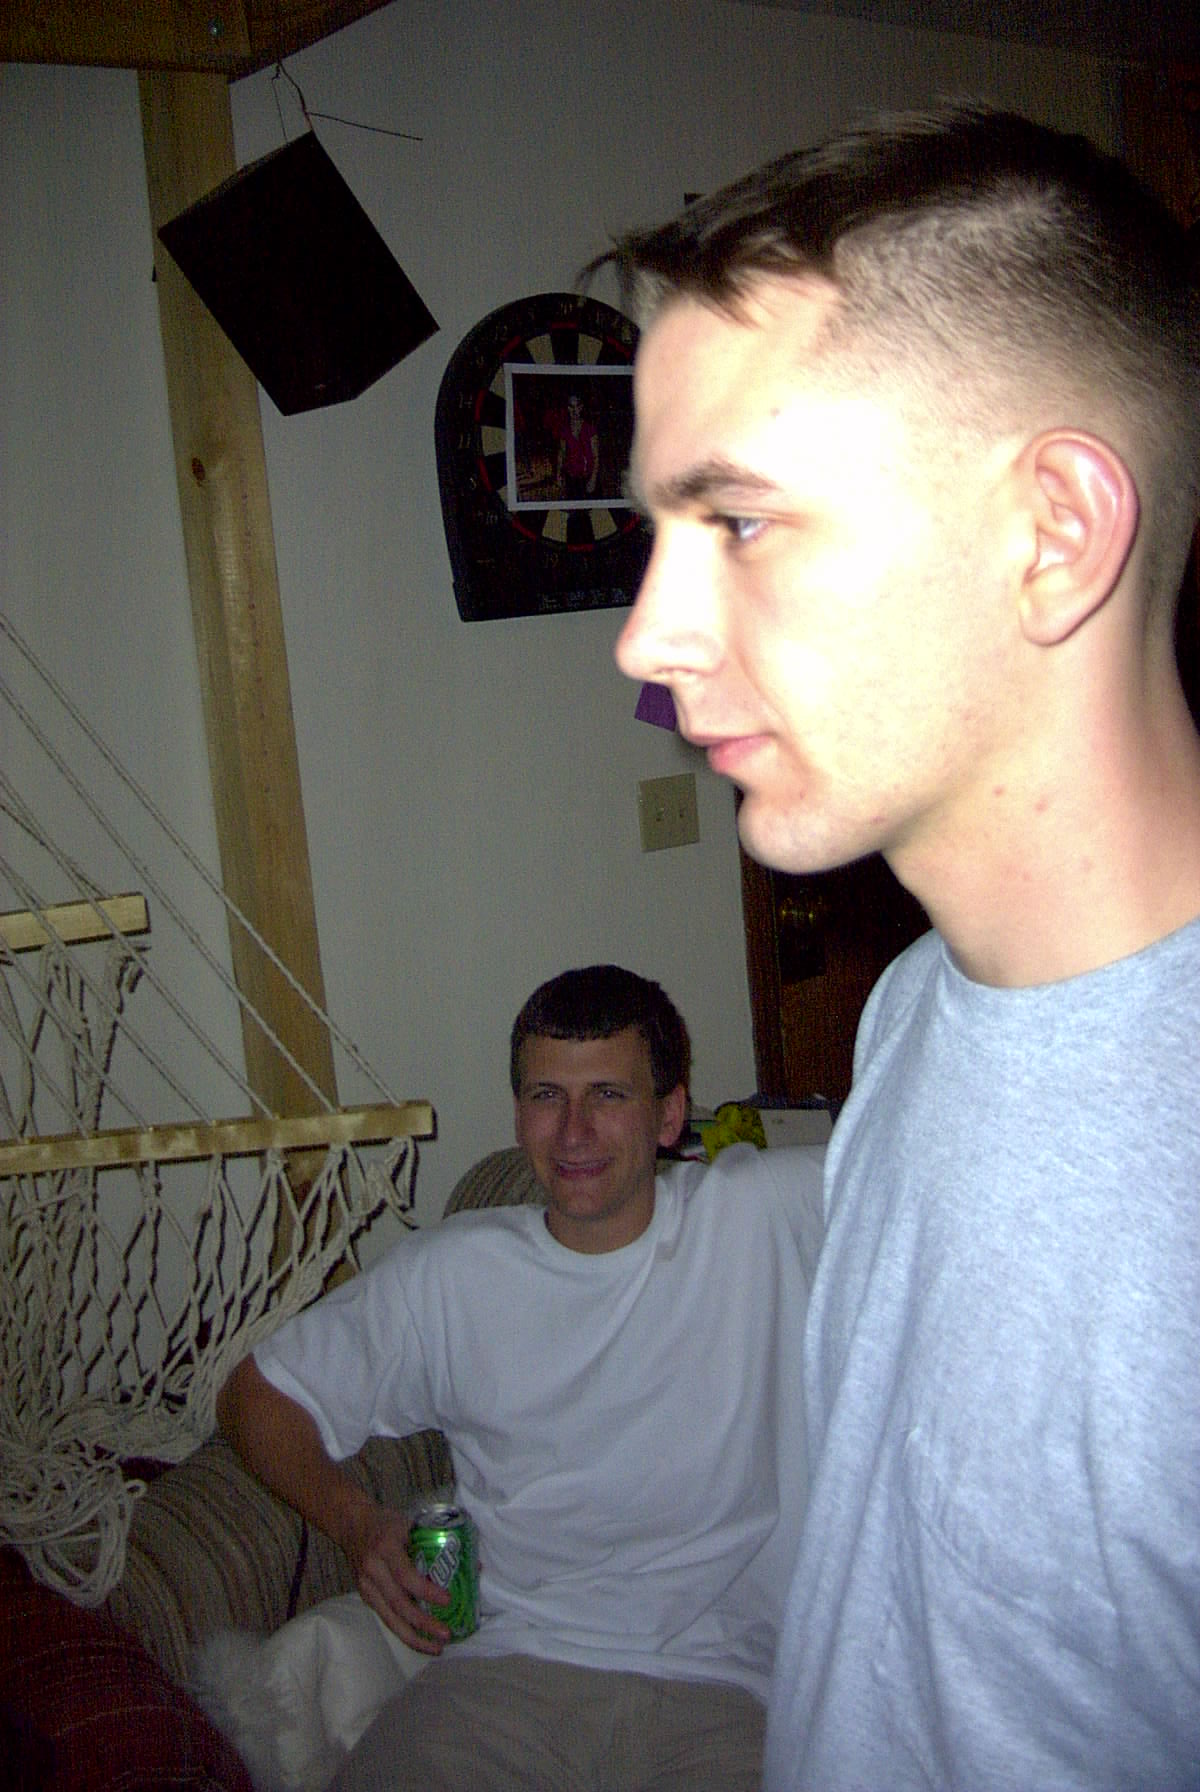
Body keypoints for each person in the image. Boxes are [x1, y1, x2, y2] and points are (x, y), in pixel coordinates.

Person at [595, 102, 1200, 1789]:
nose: (646, 637)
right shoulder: (919, 1014)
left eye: (737, 521)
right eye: (658, 533)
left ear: (1053, 532)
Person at [216, 964, 824, 1792]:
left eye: (608, 1094)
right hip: (506, 1680)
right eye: (546, 1096)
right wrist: (357, 1525)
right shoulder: (454, 1274)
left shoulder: (760, 1214)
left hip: (727, 1691)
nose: (573, 1132)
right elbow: (255, 1397)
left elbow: (960, 1165)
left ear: (670, 1114)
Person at [556, 391, 600, 498]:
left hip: (587, 477)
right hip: (571, 478)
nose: (574, 410)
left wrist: (593, 479)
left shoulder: (590, 429)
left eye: (576, 406)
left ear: (581, 407)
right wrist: (558, 475)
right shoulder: (564, 430)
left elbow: (596, 457)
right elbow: (561, 454)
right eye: (571, 407)